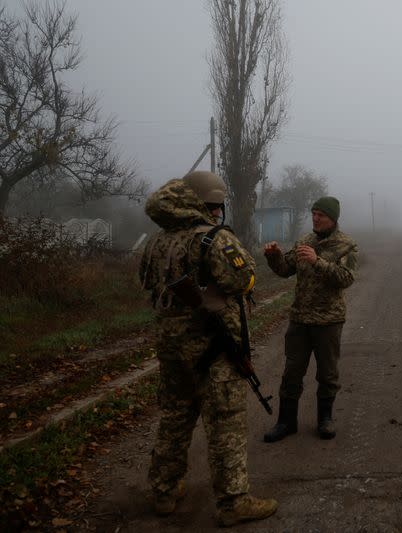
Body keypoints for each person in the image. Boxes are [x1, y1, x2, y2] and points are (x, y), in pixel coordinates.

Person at [139, 171, 277, 527]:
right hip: (214, 347)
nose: (217, 213)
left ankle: (164, 491)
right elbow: (242, 277)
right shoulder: (214, 239)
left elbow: (149, 284)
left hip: (171, 347)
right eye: (215, 206)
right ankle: (233, 501)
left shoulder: (158, 240)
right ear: (205, 204)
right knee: (225, 422)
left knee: (174, 417)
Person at [262, 196, 358, 443]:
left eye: (321, 215)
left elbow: (346, 278)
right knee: (291, 371)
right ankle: (286, 422)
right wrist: (273, 256)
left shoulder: (345, 245)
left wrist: (318, 262)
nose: (315, 218)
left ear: (333, 218)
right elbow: (285, 270)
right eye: (313, 213)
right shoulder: (304, 241)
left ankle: (325, 419)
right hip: (300, 319)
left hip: (328, 321)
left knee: (327, 373)